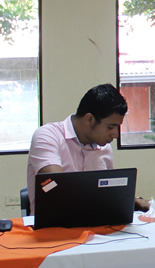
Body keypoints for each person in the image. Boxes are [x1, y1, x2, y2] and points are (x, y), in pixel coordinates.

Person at [26, 84, 148, 213]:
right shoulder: (48, 136)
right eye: (110, 127)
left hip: (95, 226)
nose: (116, 135)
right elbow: (54, 186)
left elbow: (108, 193)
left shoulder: (104, 148)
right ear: (89, 119)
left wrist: (133, 200)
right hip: (52, 228)